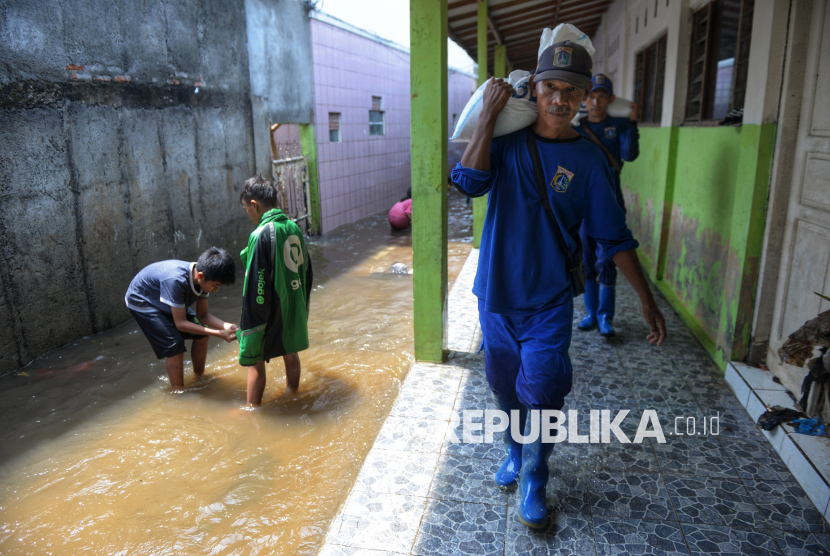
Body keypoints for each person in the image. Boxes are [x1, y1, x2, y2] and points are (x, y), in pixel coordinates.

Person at [451, 40, 667, 529]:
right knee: (503, 386)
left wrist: (646, 302)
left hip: (548, 300)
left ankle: (535, 473)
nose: (560, 99)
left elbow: (615, 236)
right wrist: (488, 114)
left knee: (544, 390)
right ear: (536, 88)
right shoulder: (506, 144)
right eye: (550, 87)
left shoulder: (591, 162)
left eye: (572, 90)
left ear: (586, 95)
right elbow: (467, 182)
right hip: (496, 296)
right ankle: (513, 450)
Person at [238, 175, 313, 406]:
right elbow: (307, 270)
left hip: (271, 304)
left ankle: (252, 410)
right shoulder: (292, 226)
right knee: (290, 351)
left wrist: (251, 323)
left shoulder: (260, 235)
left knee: (256, 360)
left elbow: (257, 283)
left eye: (246, 209)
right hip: (293, 299)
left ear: (254, 205)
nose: (248, 215)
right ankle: (293, 394)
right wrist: (302, 301)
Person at [575, 73, 641, 336]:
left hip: (610, 203)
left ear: (611, 99)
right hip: (581, 205)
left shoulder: (620, 125)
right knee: (586, 259)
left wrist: (633, 123)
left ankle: (606, 317)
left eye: (602, 96)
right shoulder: (577, 128)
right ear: (584, 99)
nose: (595, 101)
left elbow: (629, 155)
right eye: (590, 96)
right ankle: (590, 313)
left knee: (607, 259)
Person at [125, 247, 239, 390]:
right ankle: (178, 391)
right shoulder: (176, 280)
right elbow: (180, 324)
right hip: (143, 300)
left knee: (202, 336)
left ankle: (199, 377)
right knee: (175, 345)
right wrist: (218, 333)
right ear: (201, 276)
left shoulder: (202, 280)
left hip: (165, 299)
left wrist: (225, 326)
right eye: (215, 286)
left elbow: (203, 316)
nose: (216, 290)